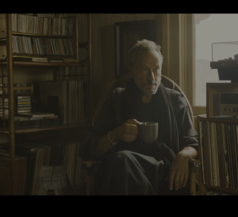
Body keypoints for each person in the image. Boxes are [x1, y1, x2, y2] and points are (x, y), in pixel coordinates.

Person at [79, 39, 199, 195]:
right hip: (122, 170)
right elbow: (88, 147)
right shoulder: (116, 100)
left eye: (156, 69)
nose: (152, 77)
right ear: (131, 70)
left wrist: (183, 155)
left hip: (164, 171)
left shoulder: (175, 101)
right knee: (122, 161)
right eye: (144, 69)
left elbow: (192, 142)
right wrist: (115, 135)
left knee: (122, 163)